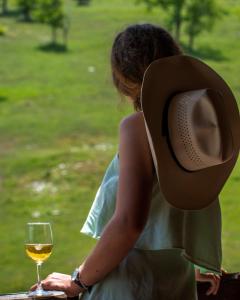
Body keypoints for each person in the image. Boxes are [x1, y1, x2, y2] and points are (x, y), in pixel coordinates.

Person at [31, 24, 224, 299]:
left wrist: (78, 282)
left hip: (134, 284)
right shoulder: (198, 133)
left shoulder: (137, 127)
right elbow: (173, 207)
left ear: (122, 79)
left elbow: (129, 223)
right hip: (176, 280)